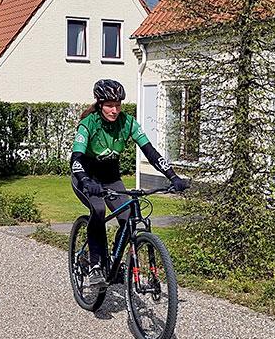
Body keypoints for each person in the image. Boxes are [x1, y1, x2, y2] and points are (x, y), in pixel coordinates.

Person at [70, 79, 188, 285]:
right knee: (98, 210)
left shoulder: (128, 123)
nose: (114, 110)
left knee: (128, 218)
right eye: (109, 105)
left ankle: (114, 262)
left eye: (117, 105)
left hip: (111, 178)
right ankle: (95, 264)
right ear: (99, 104)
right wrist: (86, 181)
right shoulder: (88, 124)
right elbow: (76, 159)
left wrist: (173, 176)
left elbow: (151, 153)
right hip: (86, 176)